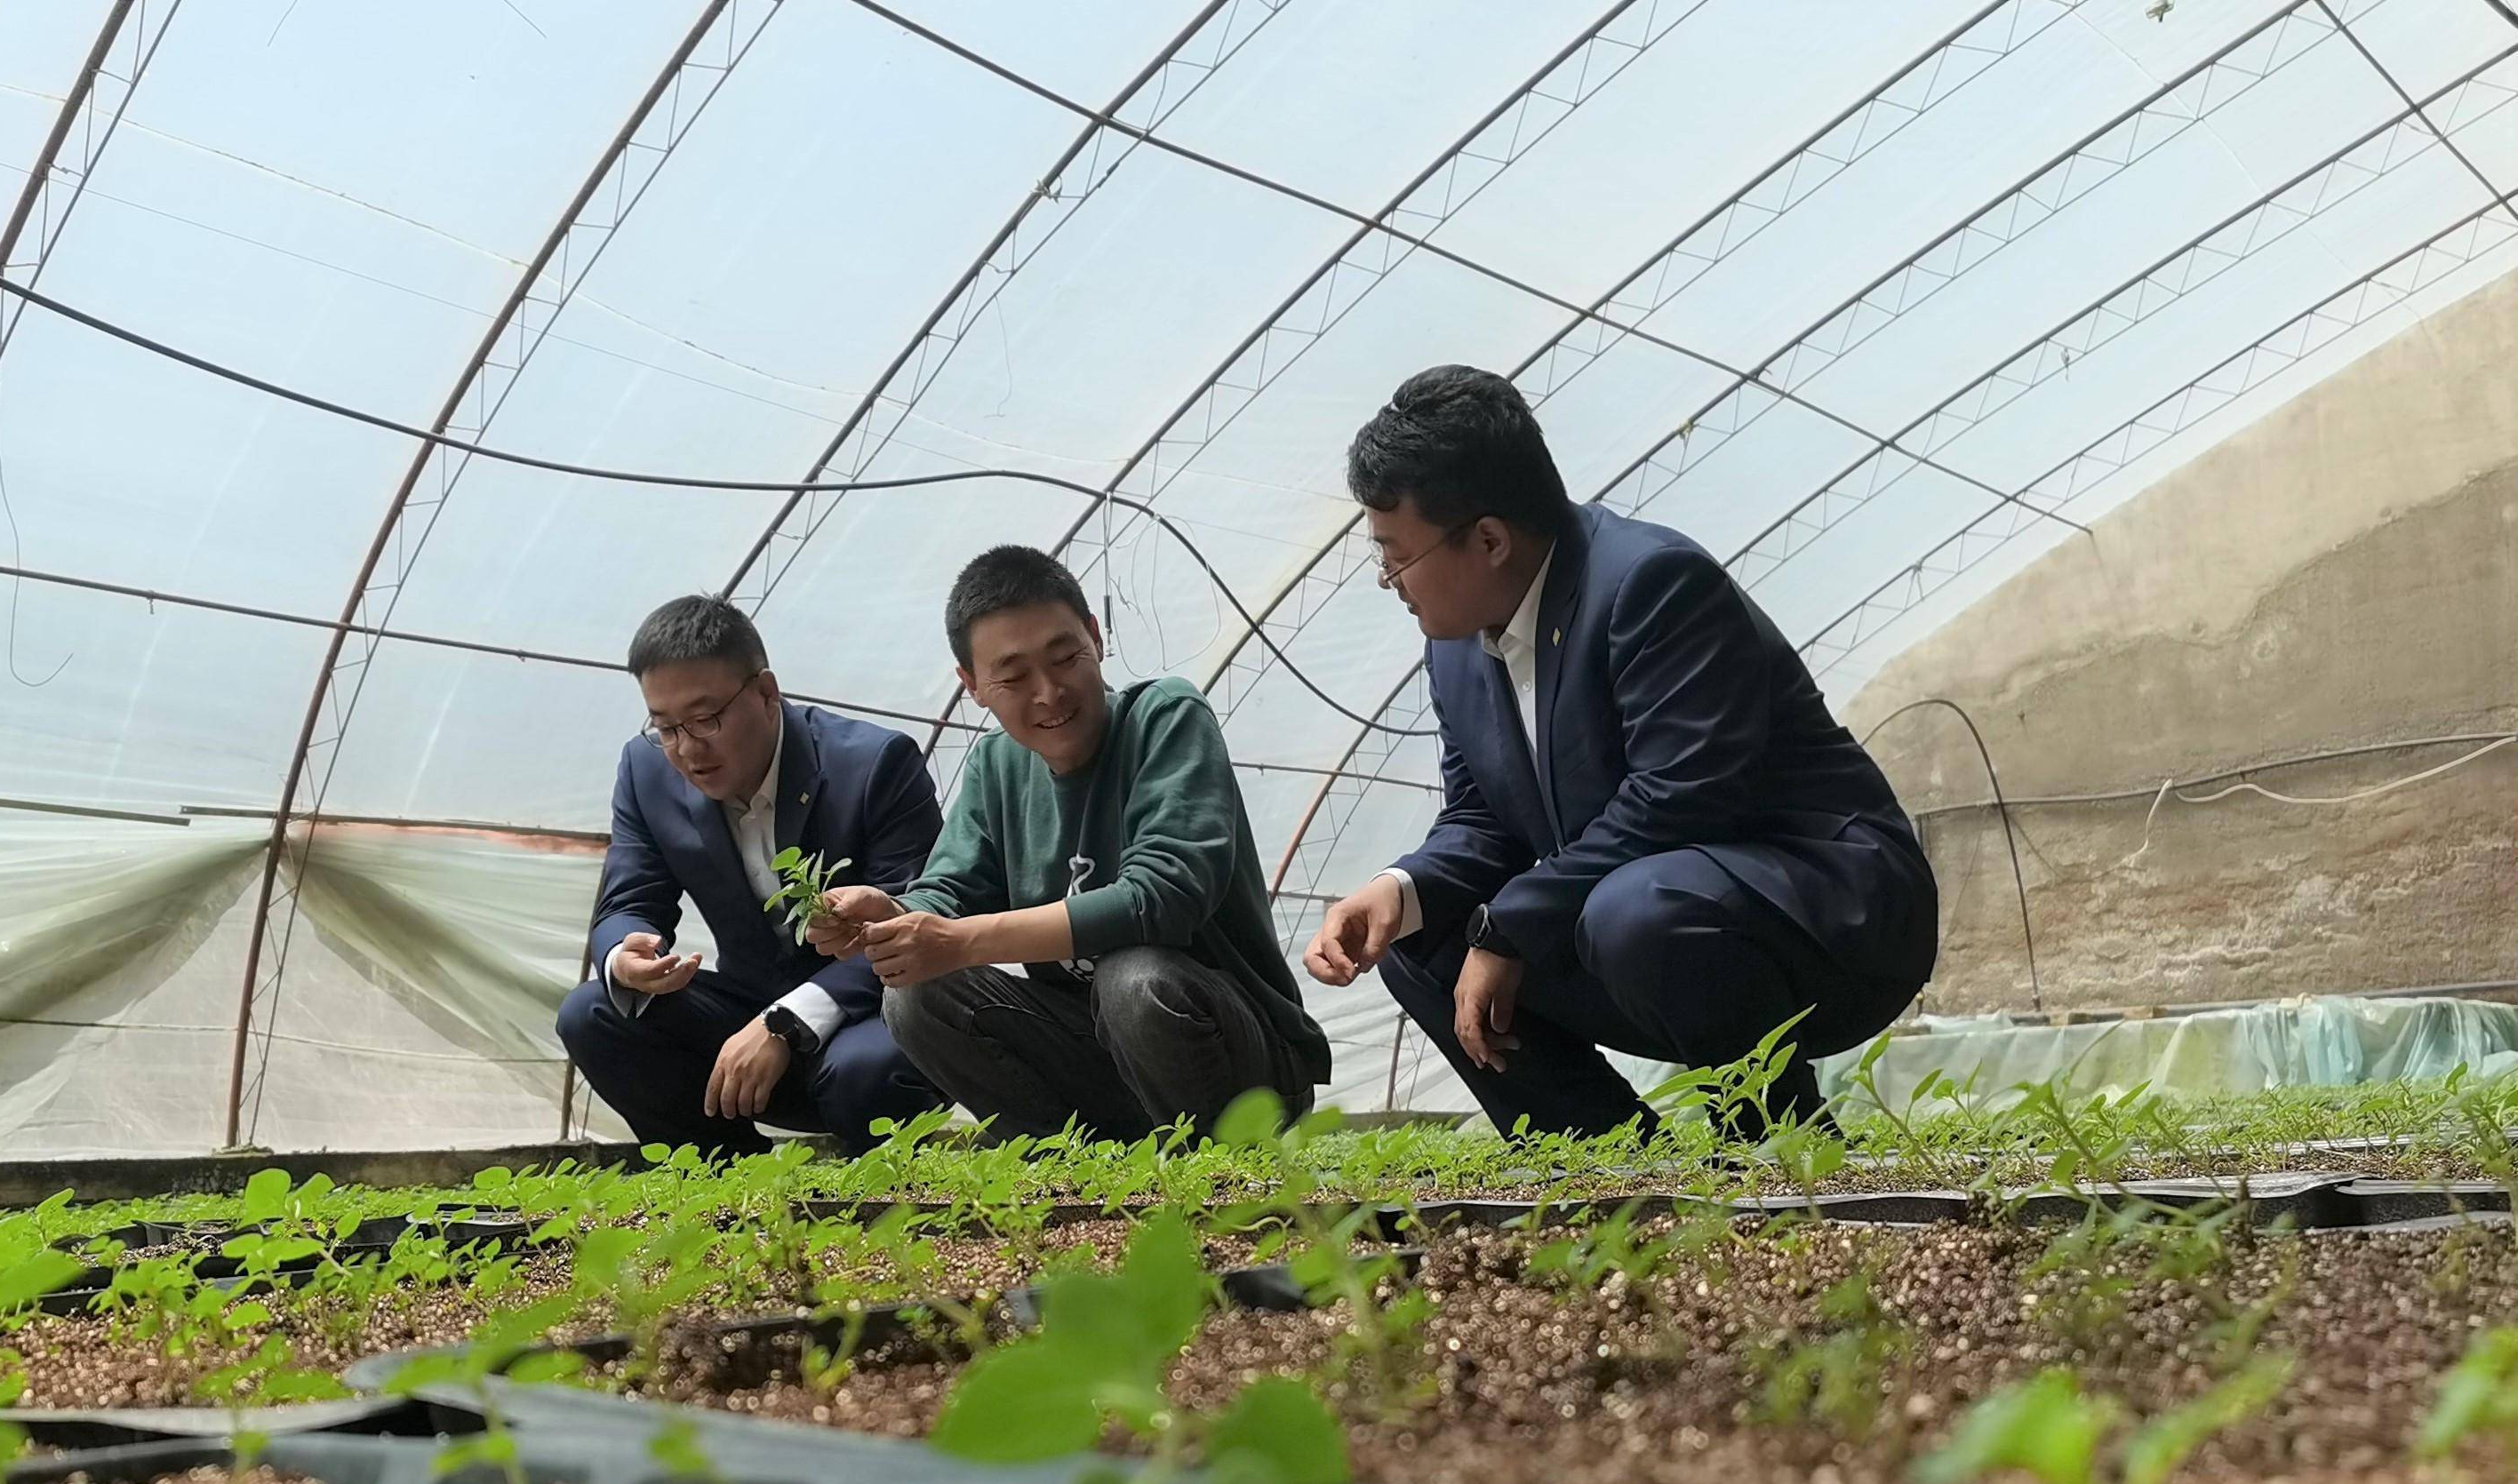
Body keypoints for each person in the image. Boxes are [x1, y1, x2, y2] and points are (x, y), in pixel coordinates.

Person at [1303, 364, 1938, 1137]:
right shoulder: (1459, 650)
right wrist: (1399, 890)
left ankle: (1781, 1149)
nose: (1389, 581)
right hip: (1659, 919)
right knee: (1417, 932)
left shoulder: (1651, 582)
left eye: (1396, 555)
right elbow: (1486, 821)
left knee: (1630, 910)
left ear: (1490, 539)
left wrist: (1509, 924)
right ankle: (1611, 1172)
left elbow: (1684, 797)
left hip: (1827, 915)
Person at [807, 545, 1330, 1141]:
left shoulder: (1165, 717)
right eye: (1013, 676)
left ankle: (1217, 1169)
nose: (1049, 692)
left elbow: (1160, 898)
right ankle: (1069, 1167)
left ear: (1095, 637)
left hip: (1241, 1062)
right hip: (1102, 1061)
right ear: (972, 685)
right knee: (915, 995)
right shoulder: (996, 766)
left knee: (1133, 978)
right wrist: (896, 916)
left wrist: (961, 940)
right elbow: (950, 891)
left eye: (1065, 657)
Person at [561, 594, 947, 1154]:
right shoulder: (645, 771)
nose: (688, 750)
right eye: (665, 727)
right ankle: (723, 1187)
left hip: (872, 1017)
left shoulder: (874, 764)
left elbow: (916, 922)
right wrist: (626, 954)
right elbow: (629, 898)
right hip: (744, 1022)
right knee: (592, 1013)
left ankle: (893, 1197)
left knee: (868, 1069)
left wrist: (784, 1025)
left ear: (766, 692)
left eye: (706, 719)